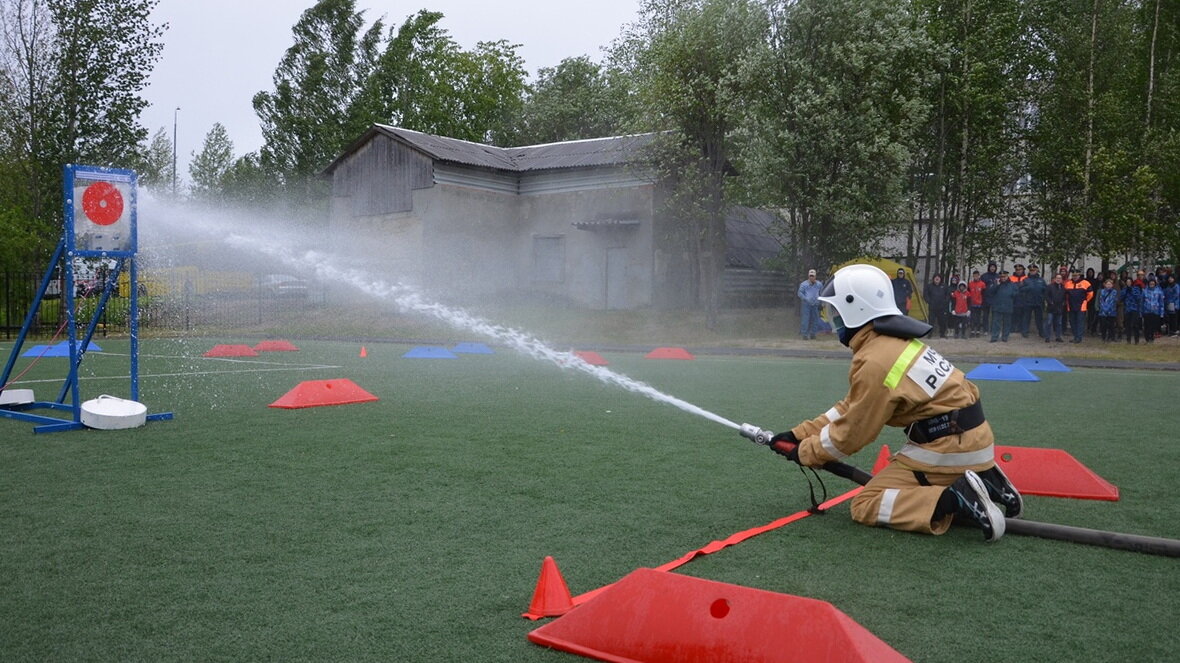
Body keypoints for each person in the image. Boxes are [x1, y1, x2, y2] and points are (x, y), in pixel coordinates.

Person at [766, 263, 1021, 542]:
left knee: (866, 504)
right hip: (973, 442)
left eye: (834, 312)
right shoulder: (894, 343)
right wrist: (799, 434)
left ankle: (955, 496)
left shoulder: (876, 360)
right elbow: (850, 406)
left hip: (946, 447)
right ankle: (984, 480)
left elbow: (851, 434)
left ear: (856, 309)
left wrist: (805, 452)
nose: (831, 320)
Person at [1064, 270, 1093, 343]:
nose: (1075, 277)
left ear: (1079, 276)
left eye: (1076, 275)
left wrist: (1085, 301)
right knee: (1072, 322)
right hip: (1070, 305)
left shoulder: (1086, 283)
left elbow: (1090, 294)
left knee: (1080, 322)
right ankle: (1075, 336)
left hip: (1081, 306)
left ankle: (1079, 338)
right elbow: (1065, 294)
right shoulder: (1068, 283)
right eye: (1073, 275)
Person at [1019, 264, 1046, 338]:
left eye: (1033, 270)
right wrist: (1027, 288)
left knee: (1039, 319)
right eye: (1031, 270)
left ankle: (1041, 332)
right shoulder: (1025, 280)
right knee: (1026, 318)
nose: (1032, 272)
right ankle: (1025, 332)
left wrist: (1043, 298)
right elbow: (1020, 290)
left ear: (1037, 271)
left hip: (1038, 302)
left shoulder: (1041, 280)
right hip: (1028, 302)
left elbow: (1045, 290)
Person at [989, 269, 1016, 342]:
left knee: (1007, 323)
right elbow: (990, 292)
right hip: (997, 306)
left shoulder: (1012, 285)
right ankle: (994, 337)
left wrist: (1012, 295)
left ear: (1007, 276)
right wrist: (996, 285)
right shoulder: (996, 284)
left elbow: (1016, 293)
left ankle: (1005, 337)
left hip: (1008, 306)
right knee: (996, 323)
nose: (1003, 278)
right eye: (1001, 277)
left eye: (1004, 277)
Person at [797, 269, 823, 340]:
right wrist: (805, 299)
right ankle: (804, 334)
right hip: (806, 304)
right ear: (808, 276)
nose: (811, 277)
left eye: (813, 276)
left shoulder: (819, 284)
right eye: (810, 276)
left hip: (816, 304)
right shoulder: (803, 284)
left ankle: (813, 334)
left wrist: (821, 303)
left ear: (815, 276)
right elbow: (799, 293)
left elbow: (821, 294)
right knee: (805, 319)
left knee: (815, 319)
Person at [923, 274, 950, 338]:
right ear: (933, 279)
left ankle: (942, 334)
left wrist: (945, 302)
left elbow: (948, 295)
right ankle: (929, 334)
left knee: (942, 321)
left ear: (940, 279)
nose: (937, 279)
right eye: (936, 278)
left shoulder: (944, 286)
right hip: (932, 307)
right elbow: (925, 295)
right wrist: (929, 301)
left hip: (942, 307)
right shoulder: (929, 286)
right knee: (931, 321)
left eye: (938, 278)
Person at [1043, 272, 1066, 343]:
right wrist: (1050, 302)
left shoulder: (1063, 287)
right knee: (1049, 322)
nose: (1058, 279)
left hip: (1059, 308)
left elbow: (1064, 297)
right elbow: (1046, 295)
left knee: (1059, 323)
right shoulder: (1050, 286)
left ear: (1061, 279)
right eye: (1057, 278)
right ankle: (1047, 337)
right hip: (1051, 308)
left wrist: (1063, 303)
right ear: (1054, 279)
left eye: (1060, 278)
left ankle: (1058, 337)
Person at [1122, 276, 1144, 345]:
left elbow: (1138, 298)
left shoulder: (1136, 288)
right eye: (1127, 282)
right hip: (1127, 309)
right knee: (1127, 325)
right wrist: (1126, 291)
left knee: (1135, 325)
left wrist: (1132, 291)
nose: (1128, 283)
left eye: (1129, 282)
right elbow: (1121, 297)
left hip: (1135, 309)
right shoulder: (1124, 289)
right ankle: (1128, 340)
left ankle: (1136, 340)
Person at [1142, 276, 1165, 343]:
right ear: (1148, 283)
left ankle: (1152, 338)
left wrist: (1161, 313)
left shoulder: (1159, 291)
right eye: (1150, 283)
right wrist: (1141, 311)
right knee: (1147, 326)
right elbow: (1142, 302)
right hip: (1146, 311)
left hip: (1155, 311)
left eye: (1153, 283)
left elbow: (1161, 302)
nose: (1152, 284)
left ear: (1155, 283)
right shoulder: (1144, 291)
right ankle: (1147, 338)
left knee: (1153, 326)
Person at [1009, 264, 1028, 335]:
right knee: (1013, 314)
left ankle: (1021, 328)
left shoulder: (1026, 278)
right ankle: (1012, 328)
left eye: (1020, 269)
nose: (1018, 271)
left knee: (1023, 315)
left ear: (1023, 270)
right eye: (1017, 270)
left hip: (1023, 299)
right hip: (1014, 299)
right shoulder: (1011, 278)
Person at [967, 270, 986, 337]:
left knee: (978, 318)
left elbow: (984, 294)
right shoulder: (970, 284)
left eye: (977, 275)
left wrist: (983, 303)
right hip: (972, 303)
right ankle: (972, 331)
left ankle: (978, 331)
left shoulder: (982, 284)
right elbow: (968, 294)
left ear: (979, 276)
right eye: (974, 276)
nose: (976, 277)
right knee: (972, 318)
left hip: (979, 304)